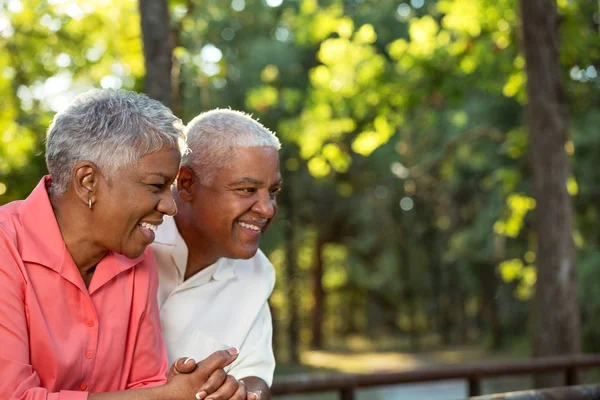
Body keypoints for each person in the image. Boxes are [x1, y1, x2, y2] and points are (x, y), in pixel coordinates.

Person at [0, 89, 250, 400]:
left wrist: (187, 392)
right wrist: (166, 397)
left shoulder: (137, 260)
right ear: (88, 181)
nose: (170, 207)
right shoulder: (5, 248)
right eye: (156, 186)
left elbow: (143, 386)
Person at [151, 109, 282, 400]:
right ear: (187, 184)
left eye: (272, 191)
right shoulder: (135, 241)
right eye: (247, 189)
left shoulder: (258, 272)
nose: (267, 208)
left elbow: (256, 373)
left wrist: (243, 394)